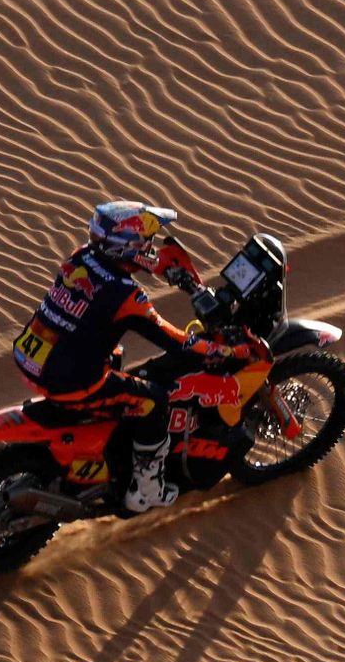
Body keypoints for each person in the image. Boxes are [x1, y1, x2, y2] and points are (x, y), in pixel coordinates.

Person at [12, 197, 227, 512]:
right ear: (127, 247)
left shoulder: (80, 258)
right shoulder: (127, 296)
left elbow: (131, 261)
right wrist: (216, 350)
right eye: (146, 242)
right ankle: (146, 489)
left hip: (33, 356)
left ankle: (108, 450)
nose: (150, 247)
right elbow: (173, 340)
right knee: (154, 400)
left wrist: (174, 273)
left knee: (115, 355)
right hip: (70, 380)